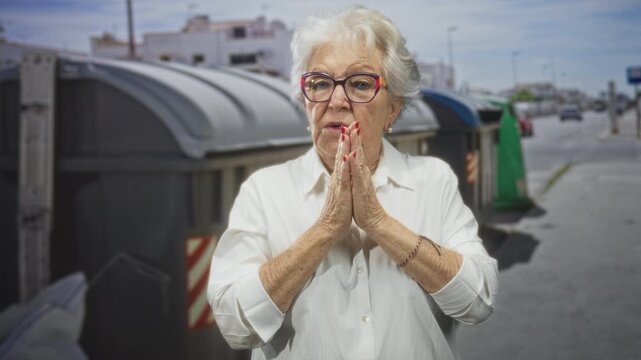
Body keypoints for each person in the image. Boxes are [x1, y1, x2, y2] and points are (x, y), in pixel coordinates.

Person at [208, 6, 498, 360]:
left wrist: (379, 222)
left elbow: (477, 302)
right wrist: (327, 228)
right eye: (320, 83)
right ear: (305, 101)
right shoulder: (264, 191)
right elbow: (236, 329)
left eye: (360, 84)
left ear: (393, 109)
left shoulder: (431, 180)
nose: (336, 100)